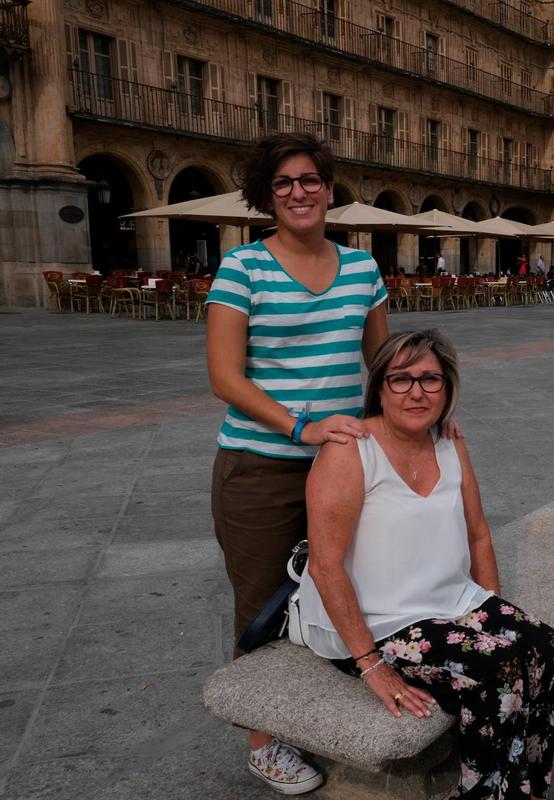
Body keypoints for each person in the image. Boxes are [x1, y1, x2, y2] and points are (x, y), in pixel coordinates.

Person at [300, 330, 554, 800]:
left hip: (448, 600)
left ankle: (525, 787)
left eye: (430, 379)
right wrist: (371, 665)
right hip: (378, 621)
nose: (417, 392)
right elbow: (325, 566)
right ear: (379, 388)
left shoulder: (448, 441)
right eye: (401, 379)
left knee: (546, 649)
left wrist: (494, 609)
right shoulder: (350, 450)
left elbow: (478, 532)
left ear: (448, 388)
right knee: (498, 670)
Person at [206, 132, 392, 794]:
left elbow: (380, 365)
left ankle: (323, 711)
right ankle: (264, 742)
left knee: (343, 588)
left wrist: (419, 408)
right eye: (282, 183)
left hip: (343, 465)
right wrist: (301, 426)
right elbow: (225, 378)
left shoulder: (364, 269)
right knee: (262, 607)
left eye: (309, 179)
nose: (298, 191)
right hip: (259, 469)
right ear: (266, 197)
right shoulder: (242, 269)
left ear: (328, 187)